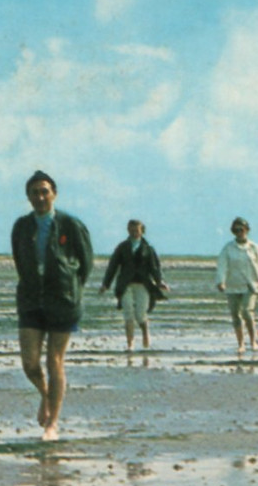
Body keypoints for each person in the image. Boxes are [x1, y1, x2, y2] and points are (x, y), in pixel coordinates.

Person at [10, 171, 93, 441]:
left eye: (45, 191)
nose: (40, 197)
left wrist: (71, 286)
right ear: (28, 197)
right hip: (32, 300)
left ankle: (52, 425)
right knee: (30, 363)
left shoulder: (70, 224)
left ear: (54, 193)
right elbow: (20, 262)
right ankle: (45, 395)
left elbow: (86, 263)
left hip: (63, 300)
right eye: (35, 192)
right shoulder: (22, 226)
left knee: (54, 360)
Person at [99, 219, 167, 352]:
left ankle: (145, 333)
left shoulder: (148, 249)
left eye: (136, 230)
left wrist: (159, 282)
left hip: (143, 285)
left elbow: (155, 267)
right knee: (128, 314)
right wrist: (105, 284)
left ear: (142, 231)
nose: (134, 233)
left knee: (140, 314)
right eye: (131, 230)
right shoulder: (122, 247)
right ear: (128, 230)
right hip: (126, 285)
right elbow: (112, 266)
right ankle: (130, 344)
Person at [215, 217, 258, 355]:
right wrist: (220, 281)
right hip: (232, 286)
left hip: (250, 286)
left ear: (247, 230)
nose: (240, 232)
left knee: (246, 311)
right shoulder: (228, 248)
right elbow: (222, 265)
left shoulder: (255, 248)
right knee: (235, 315)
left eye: (242, 229)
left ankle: (253, 341)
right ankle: (241, 343)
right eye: (237, 230)